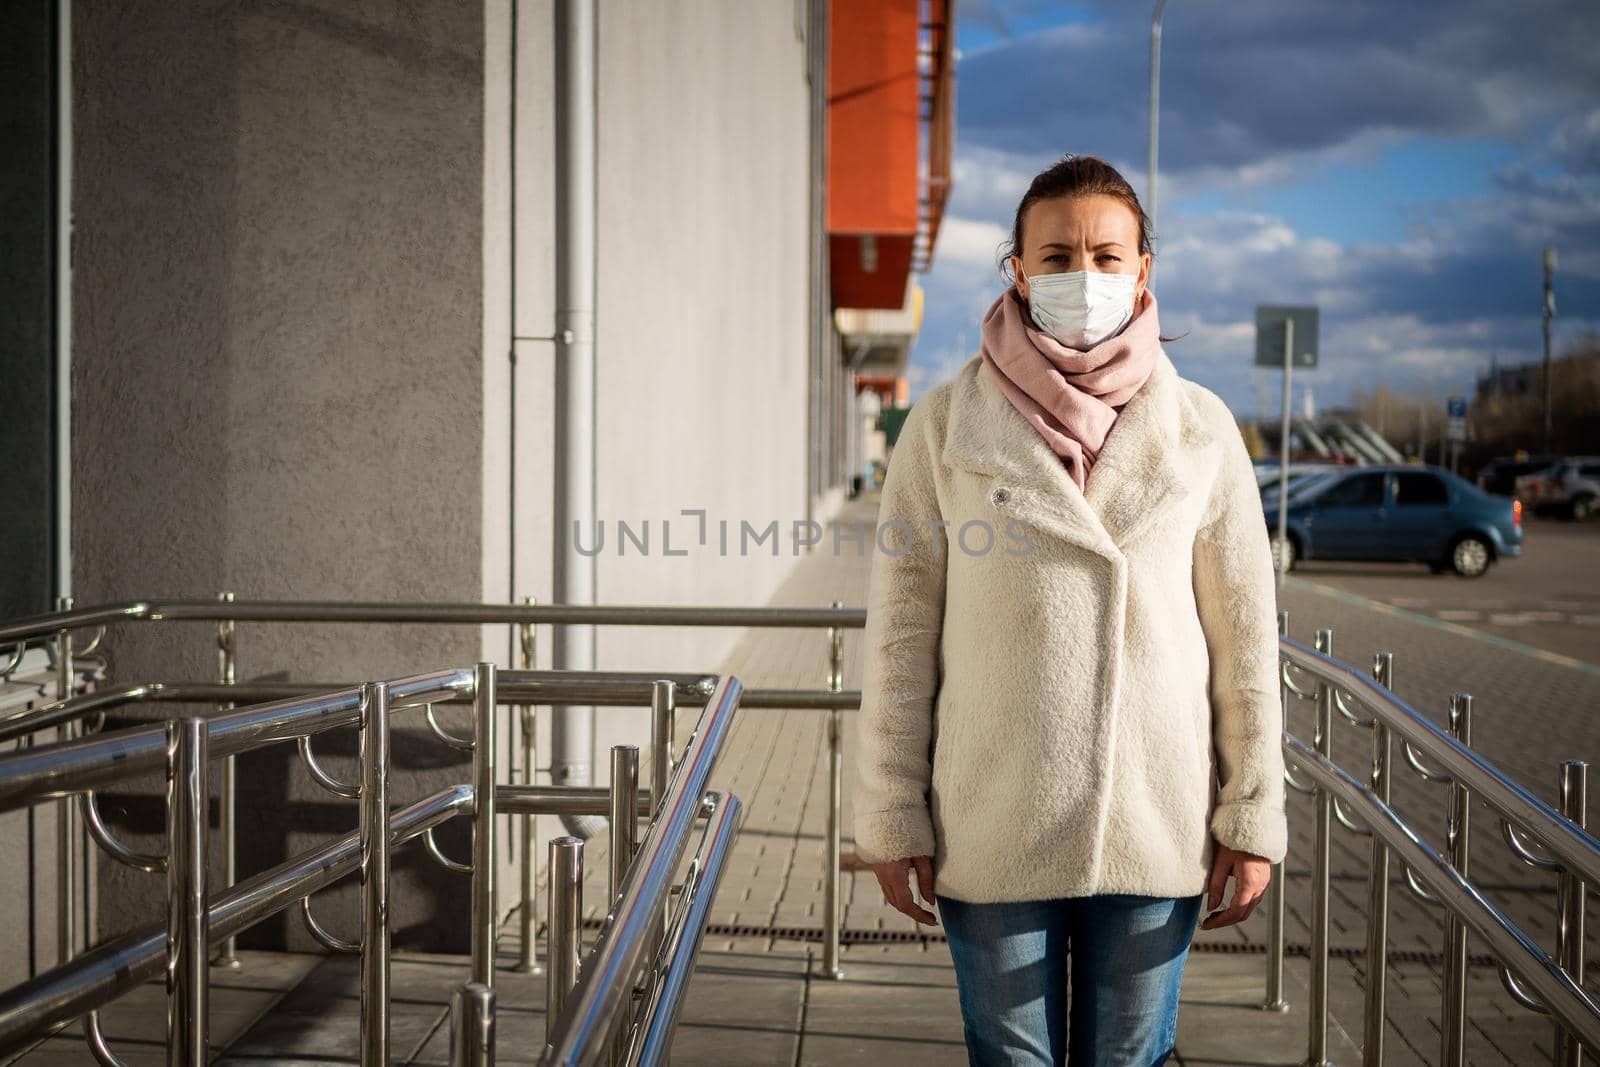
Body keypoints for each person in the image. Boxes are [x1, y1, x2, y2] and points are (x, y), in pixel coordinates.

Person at [850, 154, 1288, 1066]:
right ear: (1016, 268)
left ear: (1143, 271)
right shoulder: (941, 426)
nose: (1080, 277)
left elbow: (1246, 639)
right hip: (991, 813)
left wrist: (1251, 815)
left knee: (1129, 1059)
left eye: (1104, 254)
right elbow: (899, 639)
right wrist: (893, 814)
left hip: (1156, 818)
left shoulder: (1202, 430)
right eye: (1054, 256)